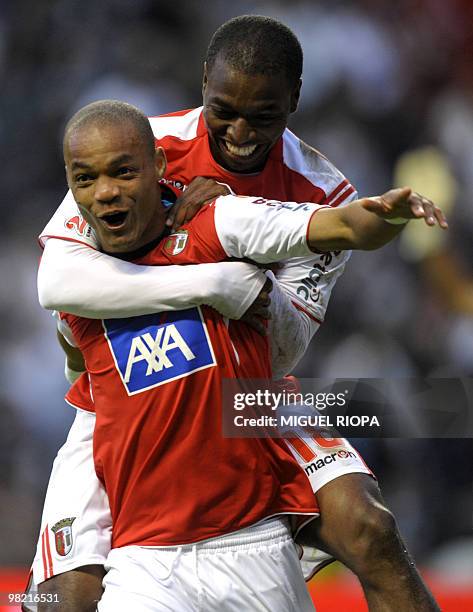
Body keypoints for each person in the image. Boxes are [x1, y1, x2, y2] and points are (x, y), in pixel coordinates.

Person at [33, 16, 442, 612]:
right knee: (61, 600)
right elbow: (61, 279)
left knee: (370, 527)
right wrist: (211, 280)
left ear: (295, 100)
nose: (239, 133)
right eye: (223, 109)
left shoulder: (320, 192)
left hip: (246, 392)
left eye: (264, 115)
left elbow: (284, 347)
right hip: (109, 398)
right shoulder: (136, 146)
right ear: (203, 82)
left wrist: (239, 241)